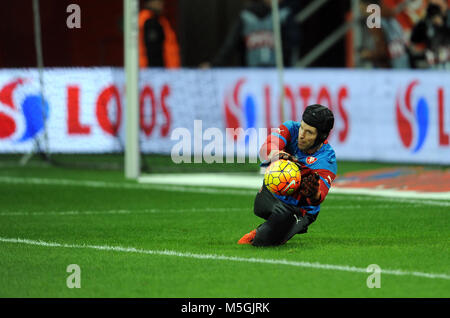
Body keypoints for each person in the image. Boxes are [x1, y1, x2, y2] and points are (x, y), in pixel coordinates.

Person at [238, 104, 337, 247]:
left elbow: (319, 196)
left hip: (299, 208)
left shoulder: (327, 160)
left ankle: (276, 229)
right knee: (259, 208)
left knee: (262, 240)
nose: (301, 135)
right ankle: (281, 228)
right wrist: (277, 155)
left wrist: (313, 193)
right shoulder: (290, 128)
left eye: (309, 132)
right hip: (273, 192)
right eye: (302, 127)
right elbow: (266, 148)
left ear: (321, 136)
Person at [200, 0, 300, 68]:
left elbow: (293, 43)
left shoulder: (284, 14)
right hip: (251, 73)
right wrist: (214, 65)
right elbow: (230, 44)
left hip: (276, 72)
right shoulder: (247, 15)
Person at [138, 0, 181, 68]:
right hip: (154, 70)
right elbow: (153, 50)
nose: (161, 4)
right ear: (150, 3)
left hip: (164, 70)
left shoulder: (160, 20)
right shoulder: (149, 21)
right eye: (158, 2)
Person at [410, 0, 450, 69]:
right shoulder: (426, 22)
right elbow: (414, 39)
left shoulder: (447, 19)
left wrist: (441, 25)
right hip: (432, 63)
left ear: (445, 4)